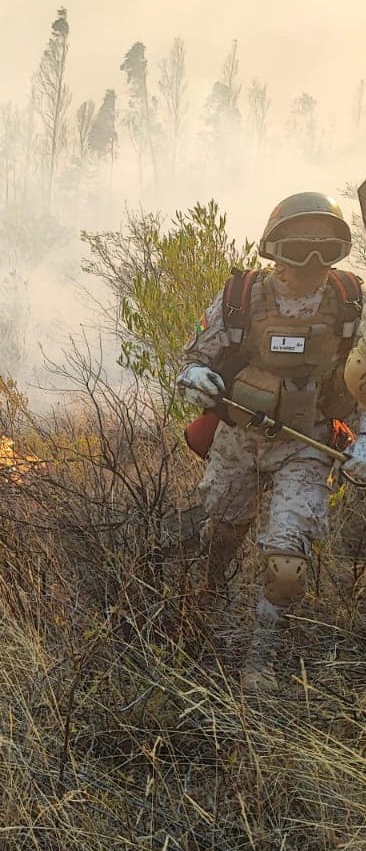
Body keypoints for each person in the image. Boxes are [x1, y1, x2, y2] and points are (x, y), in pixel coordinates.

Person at [176, 191, 366, 691]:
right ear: (274, 245)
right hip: (239, 438)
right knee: (220, 538)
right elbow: (195, 357)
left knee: (287, 563)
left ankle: (259, 662)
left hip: (308, 444)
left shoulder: (350, 303)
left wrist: (364, 443)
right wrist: (196, 376)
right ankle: (205, 614)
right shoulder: (241, 297)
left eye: (325, 249)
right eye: (300, 247)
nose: (311, 261)